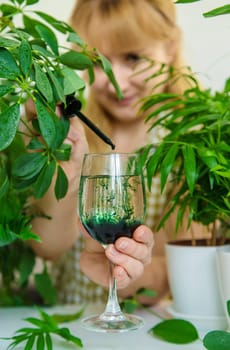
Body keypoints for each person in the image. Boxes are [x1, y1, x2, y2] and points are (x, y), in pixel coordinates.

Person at [29, 0, 208, 305]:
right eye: (98, 62)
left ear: (170, 46)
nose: (118, 83)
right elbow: (48, 247)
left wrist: (125, 272)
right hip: (67, 326)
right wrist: (67, 176)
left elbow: (172, 275)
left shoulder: (193, 148)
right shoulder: (76, 136)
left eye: (133, 58)